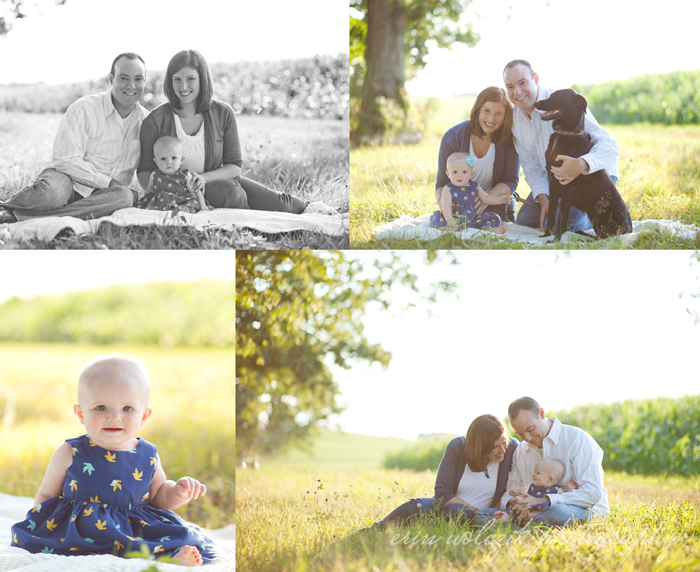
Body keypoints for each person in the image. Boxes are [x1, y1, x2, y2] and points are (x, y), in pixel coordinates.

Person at [11, 354, 216, 566]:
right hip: (80, 533)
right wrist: (39, 524)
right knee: (53, 544)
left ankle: (168, 559)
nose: (114, 417)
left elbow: (159, 497)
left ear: (144, 416)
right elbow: (47, 494)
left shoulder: (148, 454)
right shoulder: (70, 452)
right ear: (80, 413)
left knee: (165, 538)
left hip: (132, 531)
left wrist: (177, 492)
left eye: (127, 408)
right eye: (101, 408)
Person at [138, 49, 307, 213]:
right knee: (232, 194)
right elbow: (144, 169)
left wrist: (203, 178)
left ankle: (314, 208)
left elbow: (234, 167)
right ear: (170, 81)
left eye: (190, 79)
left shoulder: (223, 113)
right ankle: (247, 224)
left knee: (287, 205)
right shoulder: (155, 120)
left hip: (213, 181)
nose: (183, 86)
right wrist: (164, 196)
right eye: (177, 79)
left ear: (202, 79)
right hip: (176, 189)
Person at [0, 53, 148, 223]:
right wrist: (108, 183)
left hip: (104, 197)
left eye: (138, 79)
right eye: (123, 78)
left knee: (125, 198)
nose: (131, 85)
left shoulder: (148, 122)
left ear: (144, 81)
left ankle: (18, 217)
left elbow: (159, 164)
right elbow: (65, 160)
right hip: (67, 179)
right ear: (111, 79)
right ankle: (10, 209)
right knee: (54, 192)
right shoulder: (84, 109)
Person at [503, 59, 620, 233]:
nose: (517, 92)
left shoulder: (565, 102)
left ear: (536, 79)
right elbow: (531, 165)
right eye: (510, 86)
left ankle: (603, 216)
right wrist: (544, 198)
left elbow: (610, 145)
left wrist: (581, 164)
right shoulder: (514, 120)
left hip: (594, 177)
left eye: (522, 83)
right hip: (559, 180)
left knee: (564, 225)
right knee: (526, 219)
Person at [371, 414, 518, 529]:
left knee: (458, 512)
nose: (503, 450)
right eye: (495, 447)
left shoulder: (511, 449)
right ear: (481, 446)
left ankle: (431, 522)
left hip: (482, 515)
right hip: (448, 506)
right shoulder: (458, 447)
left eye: (504, 442)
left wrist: (480, 514)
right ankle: (380, 527)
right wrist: (474, 510)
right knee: (416, 505)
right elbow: (442, 492)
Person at [486, 396, 609, 527]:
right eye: (520, 434)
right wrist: (515, 501)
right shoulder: (520, 451)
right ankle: (522, 519)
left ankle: (519, 522)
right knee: (484, 514)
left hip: (580, 509)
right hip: (532, 510)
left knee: (557, 512)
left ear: (542, 413)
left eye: (530, 429)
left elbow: (592, 493)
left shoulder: (577, 439)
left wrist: (542, 500)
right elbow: (511, 490)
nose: (527, 438)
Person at [434, 86, 519, 224]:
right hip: (460, 203)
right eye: (487, 111)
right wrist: (442, 202)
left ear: (505, 117)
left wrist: (487, 197)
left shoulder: (509, 140)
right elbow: (442, 182)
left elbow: (510, 180)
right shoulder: (452, 137)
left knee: (498, 217)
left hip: (494, 201)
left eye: (499, 113)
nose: (491, 119)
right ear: (478, 109)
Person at [430, 153, 509, 232]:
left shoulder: (475, 186)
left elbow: (486, 198)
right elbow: (446, 206)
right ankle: (445, 229)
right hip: (454, 217)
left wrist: (499, 200)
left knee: (493, 217)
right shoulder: (448, 189)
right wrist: (451, 221)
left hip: (473, 217)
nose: (459, 175)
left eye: (464, 172)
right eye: (455, 172)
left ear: (471, 174)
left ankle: (489, 230)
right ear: (448, 174)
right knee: (437, 216)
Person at [493, 457, 578, 524]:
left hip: (538, 511)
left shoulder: (556, 490)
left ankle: (525, 517)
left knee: (545, 511)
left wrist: (570, 489)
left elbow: (564, 498)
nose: (533, 474)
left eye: (538, 473)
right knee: (511, 510)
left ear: (550, 479)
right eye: (534, 471)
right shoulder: (533, 486)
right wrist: (516, 493)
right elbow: (526, 495)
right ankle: (500, 519)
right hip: (525, 507)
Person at [138, 136, 210, 213]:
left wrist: (203, 204)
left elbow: (196, 192)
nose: (169, 162)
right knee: (148, 207)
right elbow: (149, 191)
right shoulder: (155, 174)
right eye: (163, 159)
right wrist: (144, 202)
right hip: (161, 202)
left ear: (181, 160)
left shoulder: (185, 175)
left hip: (181, 201)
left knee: (190, 204)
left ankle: (179, 213)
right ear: (156, 162)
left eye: (173, 158)